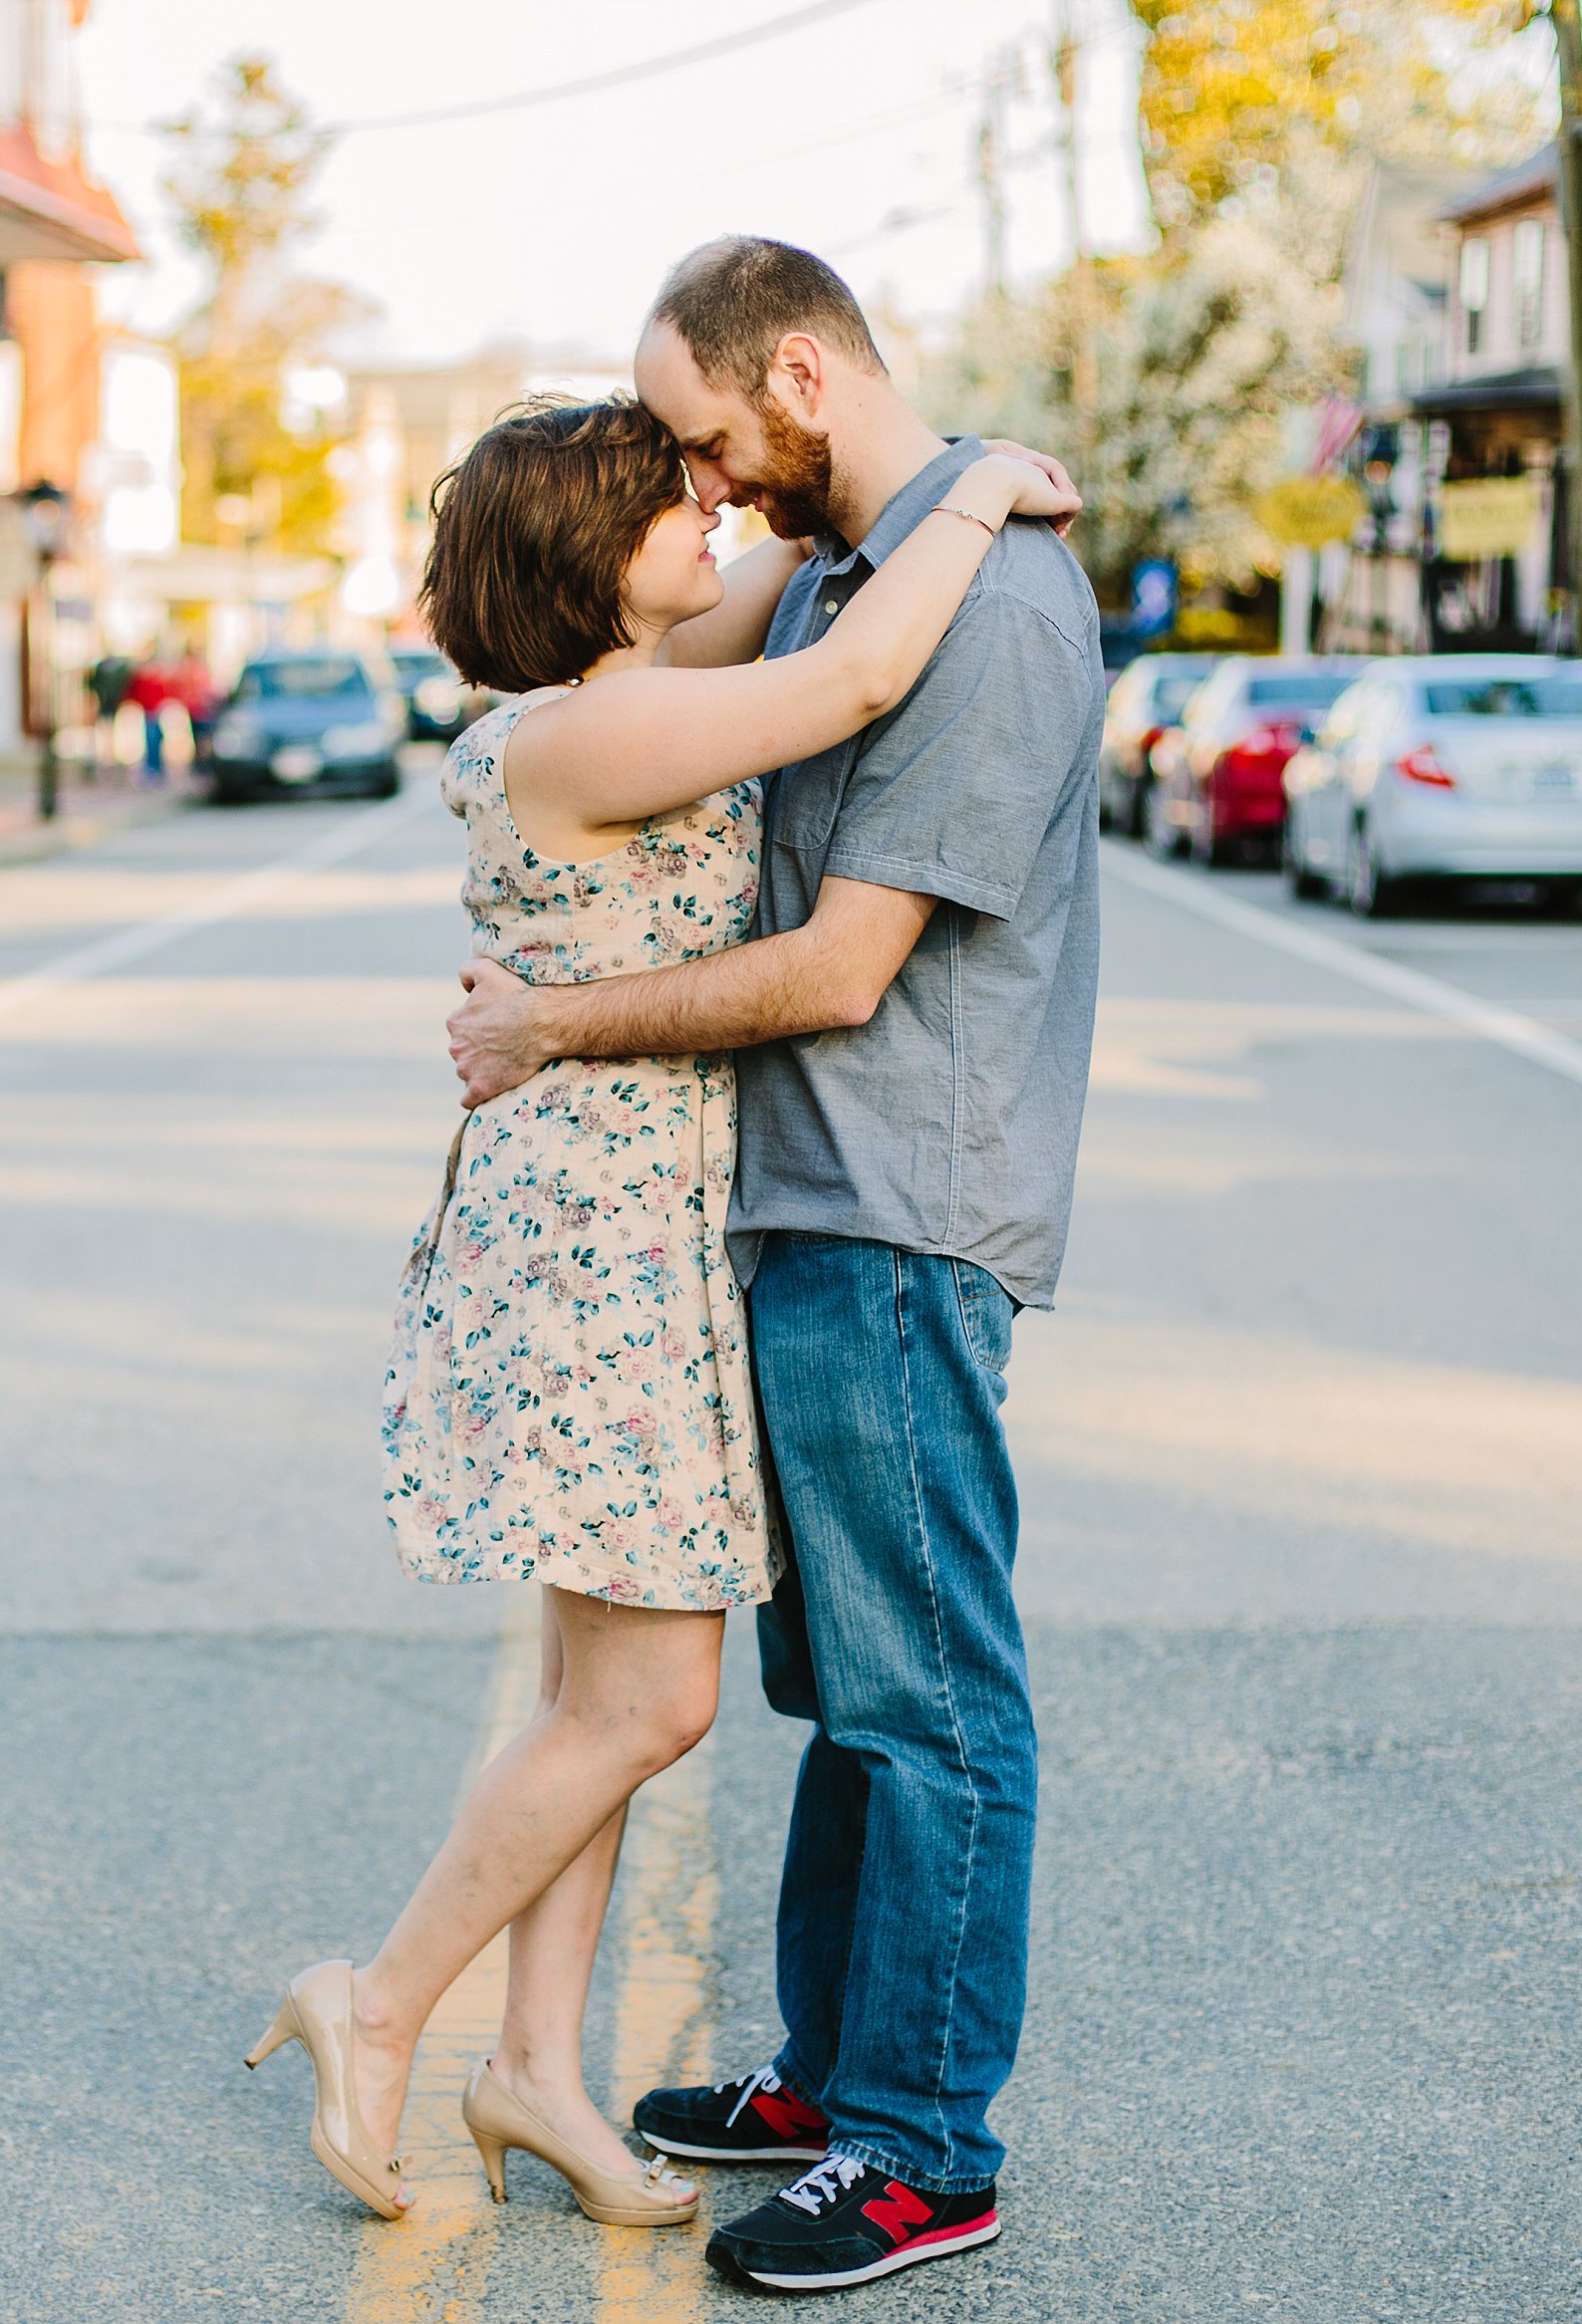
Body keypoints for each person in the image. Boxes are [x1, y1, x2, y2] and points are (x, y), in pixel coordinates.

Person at [245, 391, 1077, 2236]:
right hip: (600, 1243)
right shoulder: (610, 722)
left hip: (617, 1222)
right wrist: (986, 494)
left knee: (583, 1686)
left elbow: (785, 561)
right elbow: (853, 683)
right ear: (592, 556)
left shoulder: (602, 688)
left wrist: (839, 464)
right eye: (666, 497)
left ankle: (538, 2065)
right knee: (650, 1698)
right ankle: (381, 2001)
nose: (705, 508)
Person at [442, 236, 1109, 2296]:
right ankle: (839, 2074)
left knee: (929, 1700)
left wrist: (552, 1022)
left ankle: (924, 2146)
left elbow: (838, 969)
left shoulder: (979, 601)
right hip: (794, 1211)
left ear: (802, 378)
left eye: (713, 435)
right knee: (846, 1692)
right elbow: (713, 661)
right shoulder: (845, 571)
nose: (705, 477)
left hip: (899, 1211)